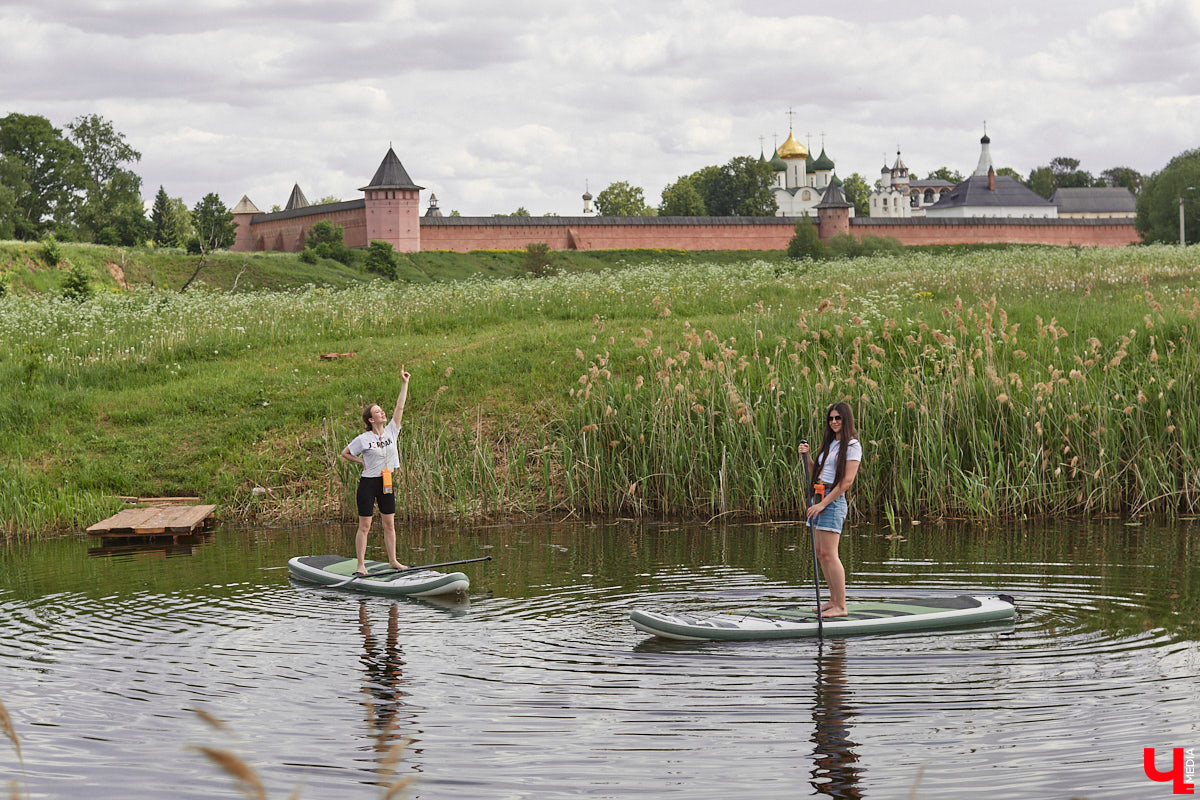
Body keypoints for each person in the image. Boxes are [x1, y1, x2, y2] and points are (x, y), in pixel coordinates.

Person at [340, 370, 410, 575]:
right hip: (368, 484)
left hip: (386, 483)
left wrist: (404, 383)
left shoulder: (391, 431)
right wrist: (360, 460)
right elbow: (345, 453)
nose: (382, 413)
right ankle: (361, 566)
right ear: (371, 419)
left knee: (389, 524)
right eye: (377, 412)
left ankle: (393, 561)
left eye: (381, 411)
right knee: (365, 526)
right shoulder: (363, 439)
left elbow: (400, 406)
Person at [798, 401, 862, 618]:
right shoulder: (830, 444)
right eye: (831, 418)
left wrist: (823, 504)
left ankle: (841, 606)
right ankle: (833, 600)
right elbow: (817, 472)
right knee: (820, 553)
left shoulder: (852, 446)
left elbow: (846, 482)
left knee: (830, 554)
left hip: (832, 502)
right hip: (819, 496)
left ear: (846, 420)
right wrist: (805, 456)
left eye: (838, 418)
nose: (834, 422)